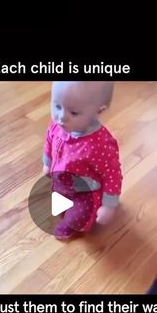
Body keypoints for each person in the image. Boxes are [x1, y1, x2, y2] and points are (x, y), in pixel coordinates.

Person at [42, 81, 123, 239]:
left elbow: (112, 176)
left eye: (73, 112)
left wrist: (109, 205)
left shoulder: (101, 145)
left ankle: (70, 224)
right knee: (57, 198)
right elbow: (49, 142)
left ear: (98, 111)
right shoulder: (58, 124)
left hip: (85, 193)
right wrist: (47, 162)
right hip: (62, 181)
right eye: (57, 106)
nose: (61, 117)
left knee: (78, 215)